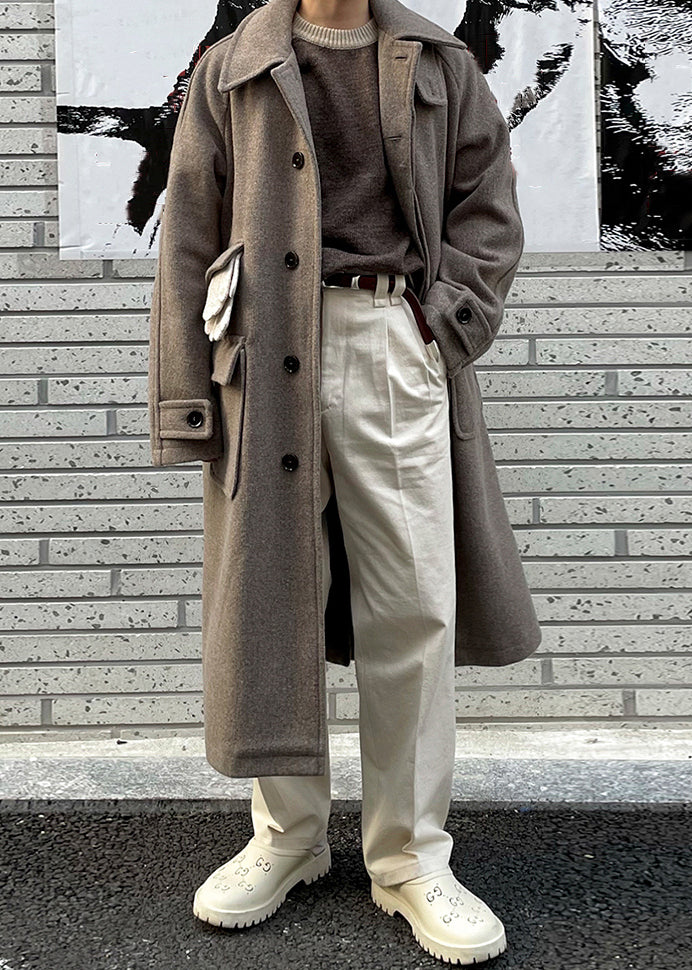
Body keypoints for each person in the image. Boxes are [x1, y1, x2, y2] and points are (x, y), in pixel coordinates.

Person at [150, 0, 536, 962]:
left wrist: (442, 325)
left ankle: (410, 858)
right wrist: (185, 399)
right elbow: (188, 231)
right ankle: (287, 838)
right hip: (261, 348)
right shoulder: (232, 67)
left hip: (390, 339)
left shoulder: (440, 64)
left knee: (413, 604)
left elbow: (487, 207)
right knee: (268, 600)